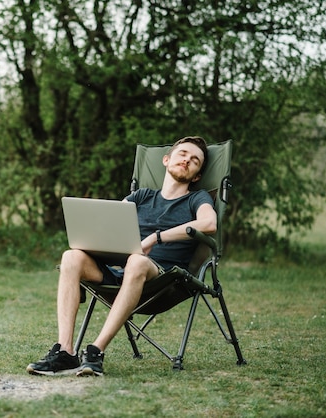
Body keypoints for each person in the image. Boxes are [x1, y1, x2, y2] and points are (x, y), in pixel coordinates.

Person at [26, 136, 217, 377]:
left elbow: (209, 223)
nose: (187, 161)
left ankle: (96, 351)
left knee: (137, 260)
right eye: (182, 155)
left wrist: (154, 238)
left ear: (197, 175)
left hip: (162, 280)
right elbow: (108, 222)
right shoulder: (142, 196)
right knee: (71, 257)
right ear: (167, 160)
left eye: (195, 161)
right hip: (118, 271)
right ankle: (65, 353)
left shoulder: (195, 199)